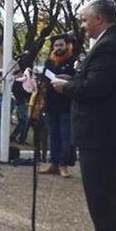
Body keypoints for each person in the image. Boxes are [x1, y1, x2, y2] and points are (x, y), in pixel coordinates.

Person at [51, 0, 116, 231]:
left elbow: (96, 88)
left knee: (101, 193)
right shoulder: (114, 41)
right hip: (107, 132)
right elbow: (97, 82)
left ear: (99, 19)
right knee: (106, 192)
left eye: (85, 19)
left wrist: (65, 88)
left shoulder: (110, 46)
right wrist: (74, 81)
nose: (83, 25)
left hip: (103, 134)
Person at [42, 35, 77, 178]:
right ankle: (54, 163)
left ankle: (64, 165)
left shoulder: (73, 62)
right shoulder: (50, 61)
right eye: (56, 46)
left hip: (66, 105)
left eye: (61, 45)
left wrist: (68, 79)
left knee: (65, 136)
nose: (58, 48)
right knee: (53, 136)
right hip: (50, 104)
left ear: (67, 46)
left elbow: (79, 79)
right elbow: (44, 78)